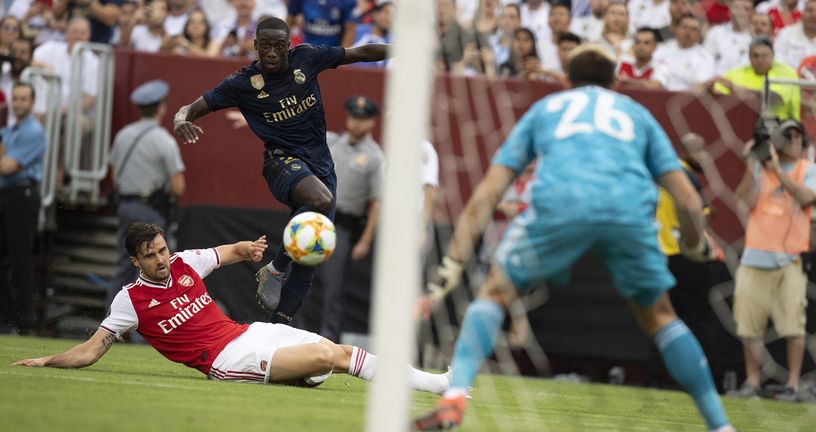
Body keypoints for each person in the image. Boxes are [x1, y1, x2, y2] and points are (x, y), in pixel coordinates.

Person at [412, 45, 733, 432]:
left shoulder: (546, 109)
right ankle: (720, 426)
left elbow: (488, 193)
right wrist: (695, 246)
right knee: (662, 316)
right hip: (626, 212)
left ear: (565, 81)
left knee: (494, 294)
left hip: (559, 205)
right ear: (616, 83)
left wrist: (451, 265)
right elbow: (688, 199)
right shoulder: (638, 114)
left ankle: (454, 396)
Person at [13, 222, 451, 394]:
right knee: (326, 358)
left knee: (336, 352)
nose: (162, 259)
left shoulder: (185, 263)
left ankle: (437, 382)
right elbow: (91, 350)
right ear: (135, 261)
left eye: (162, 249)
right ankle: (433, 385)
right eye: (151, 255)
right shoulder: (130, 299)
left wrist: (249, 249)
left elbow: (228, 253)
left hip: (248, 333)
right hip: (225, 361)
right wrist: (48, 360)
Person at [172, 16, 389, 326]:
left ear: (289, 45)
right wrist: (181, 119)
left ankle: (278, 327)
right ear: (255, 46)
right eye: (265, 46)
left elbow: (362, 52)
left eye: (278, 46)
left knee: (310, 255)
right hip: (281, 162)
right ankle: (274, 268)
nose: (272, 53)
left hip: (321, 166)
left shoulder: (308, 57)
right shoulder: (242, 82)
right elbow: (190, 108)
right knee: (320, 200)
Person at [731, 119, 815, 401]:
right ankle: (752, 382)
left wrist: (778, 170)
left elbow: (806, 198)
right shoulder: (760, 168)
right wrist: (751, 163)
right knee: (749, 324)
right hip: (755, 254)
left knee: (793, 325)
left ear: (804, 142)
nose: (792, 140)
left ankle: (792, 384)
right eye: (786, 135)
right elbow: (744, 200)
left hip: (790, 258)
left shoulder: (808, 169)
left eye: (796, 135)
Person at [108, 80, 185, 307]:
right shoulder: (164, 140)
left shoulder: (123, 135)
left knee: (124, 263)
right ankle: (146, 322)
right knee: (152, 267)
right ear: (161, 107)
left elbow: (114, 175)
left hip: (125, 206)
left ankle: (112, 317)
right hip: (150, 210)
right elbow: (178, 186)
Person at [315, 95, 384, 343]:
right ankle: (291, 329)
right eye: (353, 116)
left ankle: (329, 339)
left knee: (333, 287)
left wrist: (365, 240)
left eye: (362, 118)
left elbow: (378, 202)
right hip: (314, 220)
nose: (356, 122)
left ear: (372, 122)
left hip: (342, 227)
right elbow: (297, 133)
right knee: (294, 276)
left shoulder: (375, 157)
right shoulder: (332, 141)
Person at [0, 81, 45, 335]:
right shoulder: (11, 130)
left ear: (32, 102)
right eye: (15, 98)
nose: (18, 103)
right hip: (7, 194)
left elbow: (7, 167)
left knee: (20, 258)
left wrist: (5, 156)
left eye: (23, 99)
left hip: (21, 194)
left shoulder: (33, 131)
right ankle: (8, 316)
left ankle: (24, 319)